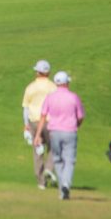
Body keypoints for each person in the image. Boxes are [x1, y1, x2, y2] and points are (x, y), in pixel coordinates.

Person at [33, 71, 84, 201]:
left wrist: (38, 135)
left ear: (56, 83)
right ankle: (65, 185)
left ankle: (63, 189)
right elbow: (80, 116)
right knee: (69, 161)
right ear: (67, 83)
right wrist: (77, 125)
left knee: (57, 160)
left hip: (54, 132)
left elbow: (43, 117)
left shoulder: (50, 97)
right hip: (70, 132)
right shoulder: (74, 97)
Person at [22, 60, 57, 189]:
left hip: (34, 122)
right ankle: (49, 168)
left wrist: (26, 125)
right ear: (48, 72)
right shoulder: (53, 87)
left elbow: (25, 108)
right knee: (54, 148)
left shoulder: (30, 87)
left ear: (37, 72)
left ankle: (41, 183)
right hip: (50, 122)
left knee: (38, 152)